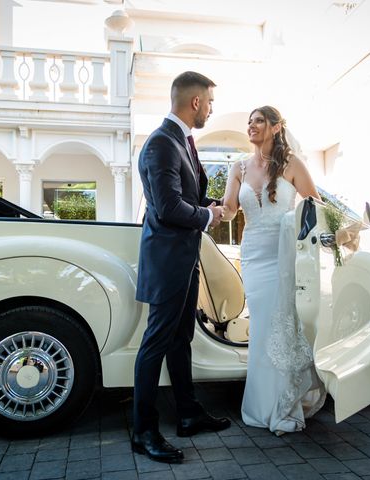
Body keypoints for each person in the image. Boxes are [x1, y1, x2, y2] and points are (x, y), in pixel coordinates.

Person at [133, 71, 231, 463]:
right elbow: (169, 207)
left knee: (180, 340)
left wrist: (212, 206)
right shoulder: (161, 144)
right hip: (168, 261)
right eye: (209, 102)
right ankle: (143, 431)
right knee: (155, 344)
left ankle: (188, 414)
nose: (211, 109)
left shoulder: (181, 142)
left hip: (184, 261)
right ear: (195, 102)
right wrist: (207, 217)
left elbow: (187, 196)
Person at [221, 106, 326, 435]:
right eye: (250, 121)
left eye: (259, 120)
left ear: (277, 127)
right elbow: (228, 209)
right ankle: (263, 405)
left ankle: (284, 405)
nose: (251, 125)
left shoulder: (293, 165)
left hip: (284, 257)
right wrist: (202, 213)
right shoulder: (237, 167)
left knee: (279, 327)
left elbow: (316, 206)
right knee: (264, 326)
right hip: (254, 255)